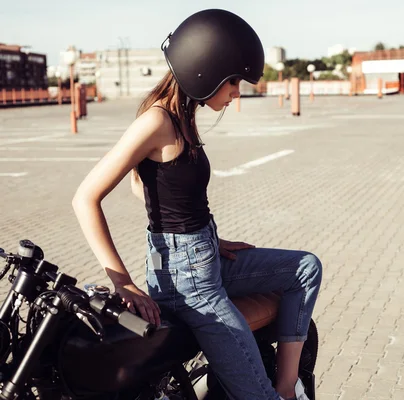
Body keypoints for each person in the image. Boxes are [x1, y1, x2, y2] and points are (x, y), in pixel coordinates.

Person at [72, 9, 322, 400]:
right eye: (234, 81)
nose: (237, 91)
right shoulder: (157, 122)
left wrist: (206, 240)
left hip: (205, 261)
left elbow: (149, 187)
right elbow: (86, 197)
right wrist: (122, 282)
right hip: (188, 289)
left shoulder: (183, 117)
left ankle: (289, 386)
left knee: (305, 268)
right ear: (204, 69)